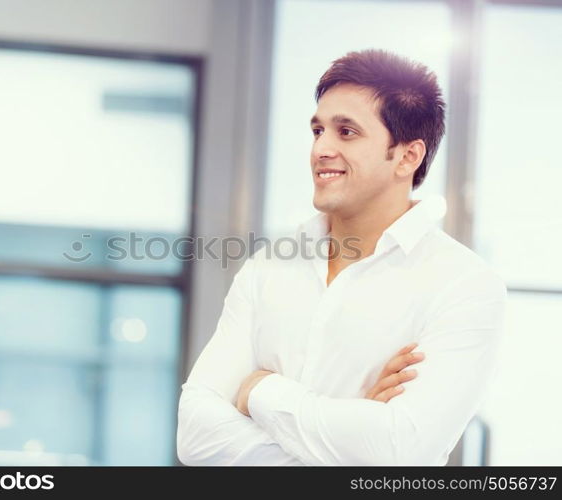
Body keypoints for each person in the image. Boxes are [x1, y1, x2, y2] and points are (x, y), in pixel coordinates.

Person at [176, 49, 507, 466]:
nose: (321, 149)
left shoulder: (463, 285)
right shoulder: (271, 265)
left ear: (407, 156)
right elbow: (195, 437)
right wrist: (351, 431)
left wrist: (259, 391)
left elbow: (400, 451)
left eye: (346, 132)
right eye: (318, 131)